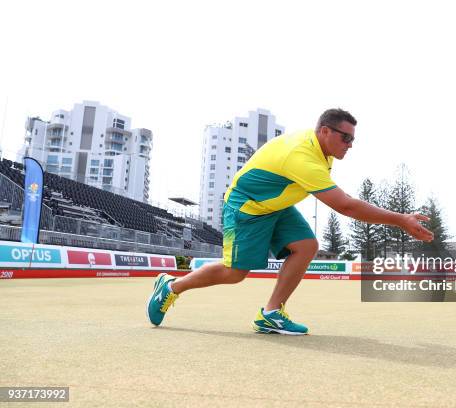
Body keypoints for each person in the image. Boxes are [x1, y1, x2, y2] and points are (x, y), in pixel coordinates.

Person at [147, 108, 434, 335]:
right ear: (324, 131)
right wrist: (401, 220)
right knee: (234, 273)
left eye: (353, 139)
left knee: (307, 245)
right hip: (248, 206)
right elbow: (344, 206)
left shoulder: (320, 149)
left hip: (275, 203)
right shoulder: (303, 156)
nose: (350, 145)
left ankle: (271, 314)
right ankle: (171, 287)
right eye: (346, 138)